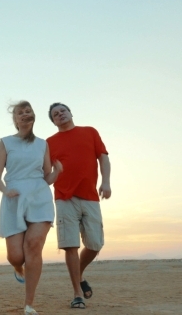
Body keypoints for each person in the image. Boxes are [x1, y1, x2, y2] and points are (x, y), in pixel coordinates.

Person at [0, 101, 63, 315]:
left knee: (33, 247)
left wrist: (57, 173)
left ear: (33, 116)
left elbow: (47, 177)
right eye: (20, 112)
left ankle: (29, 304)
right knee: (16, 256)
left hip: (40, 197)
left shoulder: (43, 144)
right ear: (15, 120)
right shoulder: (6, 142)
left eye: (28, 111)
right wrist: (4, 190)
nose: (25, 114)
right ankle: (17, 268)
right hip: (14, 198)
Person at [46, 102, 111, 309]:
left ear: (70, 112)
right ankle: (77, 294)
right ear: (53, 121)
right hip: (64, 198)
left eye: (62, 111)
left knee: (95, 244)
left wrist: (106, 182)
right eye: (55, 114)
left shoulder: (90, 132)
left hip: (90, 196)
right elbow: (45, 175)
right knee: (70, 245)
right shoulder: (48, 143)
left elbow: (103, 158)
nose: (60, 114)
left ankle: (79, 274)